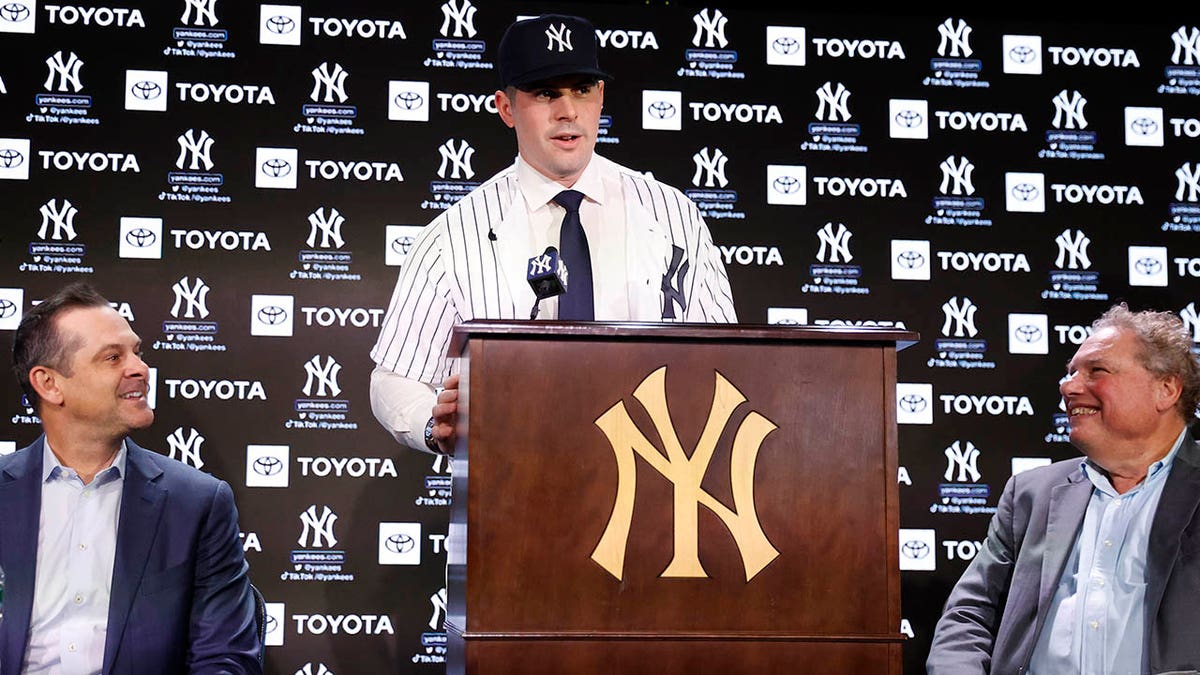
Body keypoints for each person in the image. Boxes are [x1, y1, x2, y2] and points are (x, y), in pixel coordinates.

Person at [369, 13, 737, 455]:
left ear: (601, 97)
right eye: (546, 93)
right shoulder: (451, 237)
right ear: (506, 108)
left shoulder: (672, 214)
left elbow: (728, 359)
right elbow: (394, 378)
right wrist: (431, 423)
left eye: (582, 90)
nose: (567, 111)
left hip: (655, 489)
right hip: (512, 491)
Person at [0, 282, 262, 674]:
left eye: (136, 352)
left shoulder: (197, 503)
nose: (139, 369)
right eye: (112, 358)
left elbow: (225, 658)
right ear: (50, 384)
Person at [926, 302, 1200, 675]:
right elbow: (969, 614)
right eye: (1070, 373)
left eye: (1096, 371)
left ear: (1165, 389)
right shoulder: (1031, 494)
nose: (1068, 386)